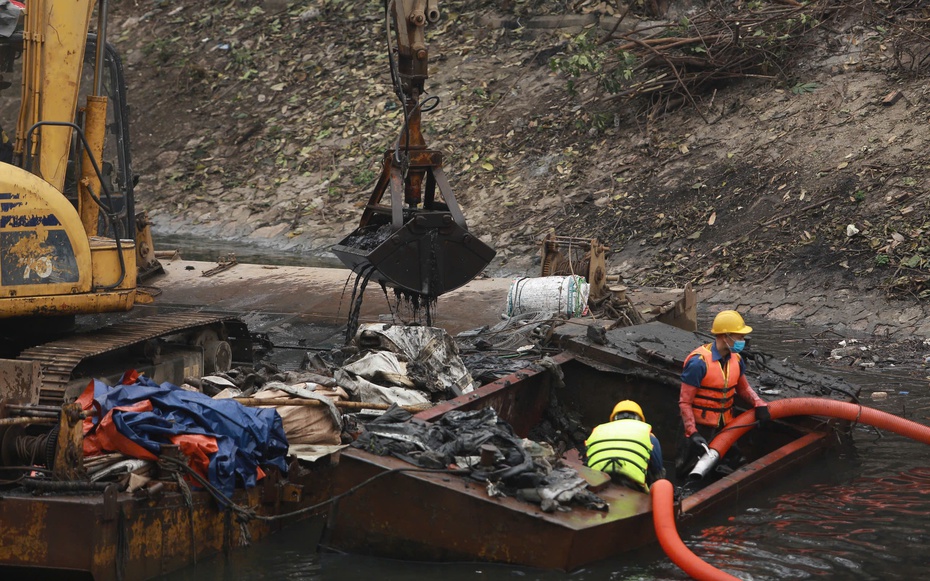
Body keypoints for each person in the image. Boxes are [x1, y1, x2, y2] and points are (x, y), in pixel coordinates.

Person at [677, 309, 770, 477]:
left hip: (725, 426)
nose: (743, 341)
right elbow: (685, 402)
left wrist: (759, 403)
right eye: (739, 337)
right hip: (700, 429)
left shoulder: (737, 360)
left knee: (734, 465)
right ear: (726, 336)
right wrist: (692, 432)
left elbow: (743, 388)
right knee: (689, 471)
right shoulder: (698, 363)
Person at [585, 400, 665, 492]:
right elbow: (657, 470)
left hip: (597, 482)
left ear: (614, 418)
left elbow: (587, 458)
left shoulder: (597, 432)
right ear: (639, 419)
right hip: (633, 485)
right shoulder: (648, 435)